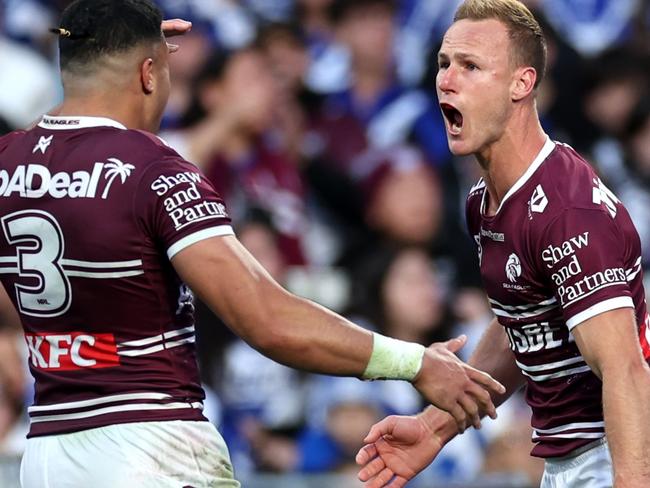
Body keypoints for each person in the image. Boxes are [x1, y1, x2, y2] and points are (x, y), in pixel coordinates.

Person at [0, 1, 505, 487]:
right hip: (149, 447)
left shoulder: (9, 162)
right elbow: (268, 319)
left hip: (46, 451)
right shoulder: (153, 170)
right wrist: (414, 362)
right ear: (149, 74)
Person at [355, 1, 650, 487]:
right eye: (444, 64)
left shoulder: (566, 213)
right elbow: (523, 319)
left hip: (613, 454)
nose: (447, 81)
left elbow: (626, 372)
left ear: (522, 83)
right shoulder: (485, 202)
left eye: (470, 66)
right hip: (568, 459)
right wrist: (435, 426)